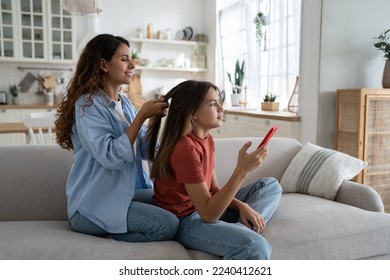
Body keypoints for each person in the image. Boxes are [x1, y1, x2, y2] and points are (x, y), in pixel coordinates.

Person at [55, 34, 179, 242]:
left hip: (125, 194)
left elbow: (143, 150)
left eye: (131, 59)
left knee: (178, 203)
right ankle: (115, 234)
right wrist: (141, 117)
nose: (132, 65)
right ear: (103, 64)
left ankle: (118, 229)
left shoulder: (125, 103)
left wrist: (154, 122)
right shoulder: (88, 106)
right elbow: (111, 156)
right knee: (167, 225)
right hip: (91, 206)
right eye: (124, 59)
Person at [147, 80, 282, 259]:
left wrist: (243, 206)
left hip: (205, 207)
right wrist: (241, 170)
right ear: (193, 113)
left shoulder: (207, 139)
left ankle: (244, 226)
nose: (221, 107)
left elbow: (214, 190)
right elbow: (208, 214)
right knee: (255, 247)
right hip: (186, 220)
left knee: (270, 185)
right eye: (212, 104)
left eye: (219, 101)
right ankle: (244, 230)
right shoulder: (185, 148)